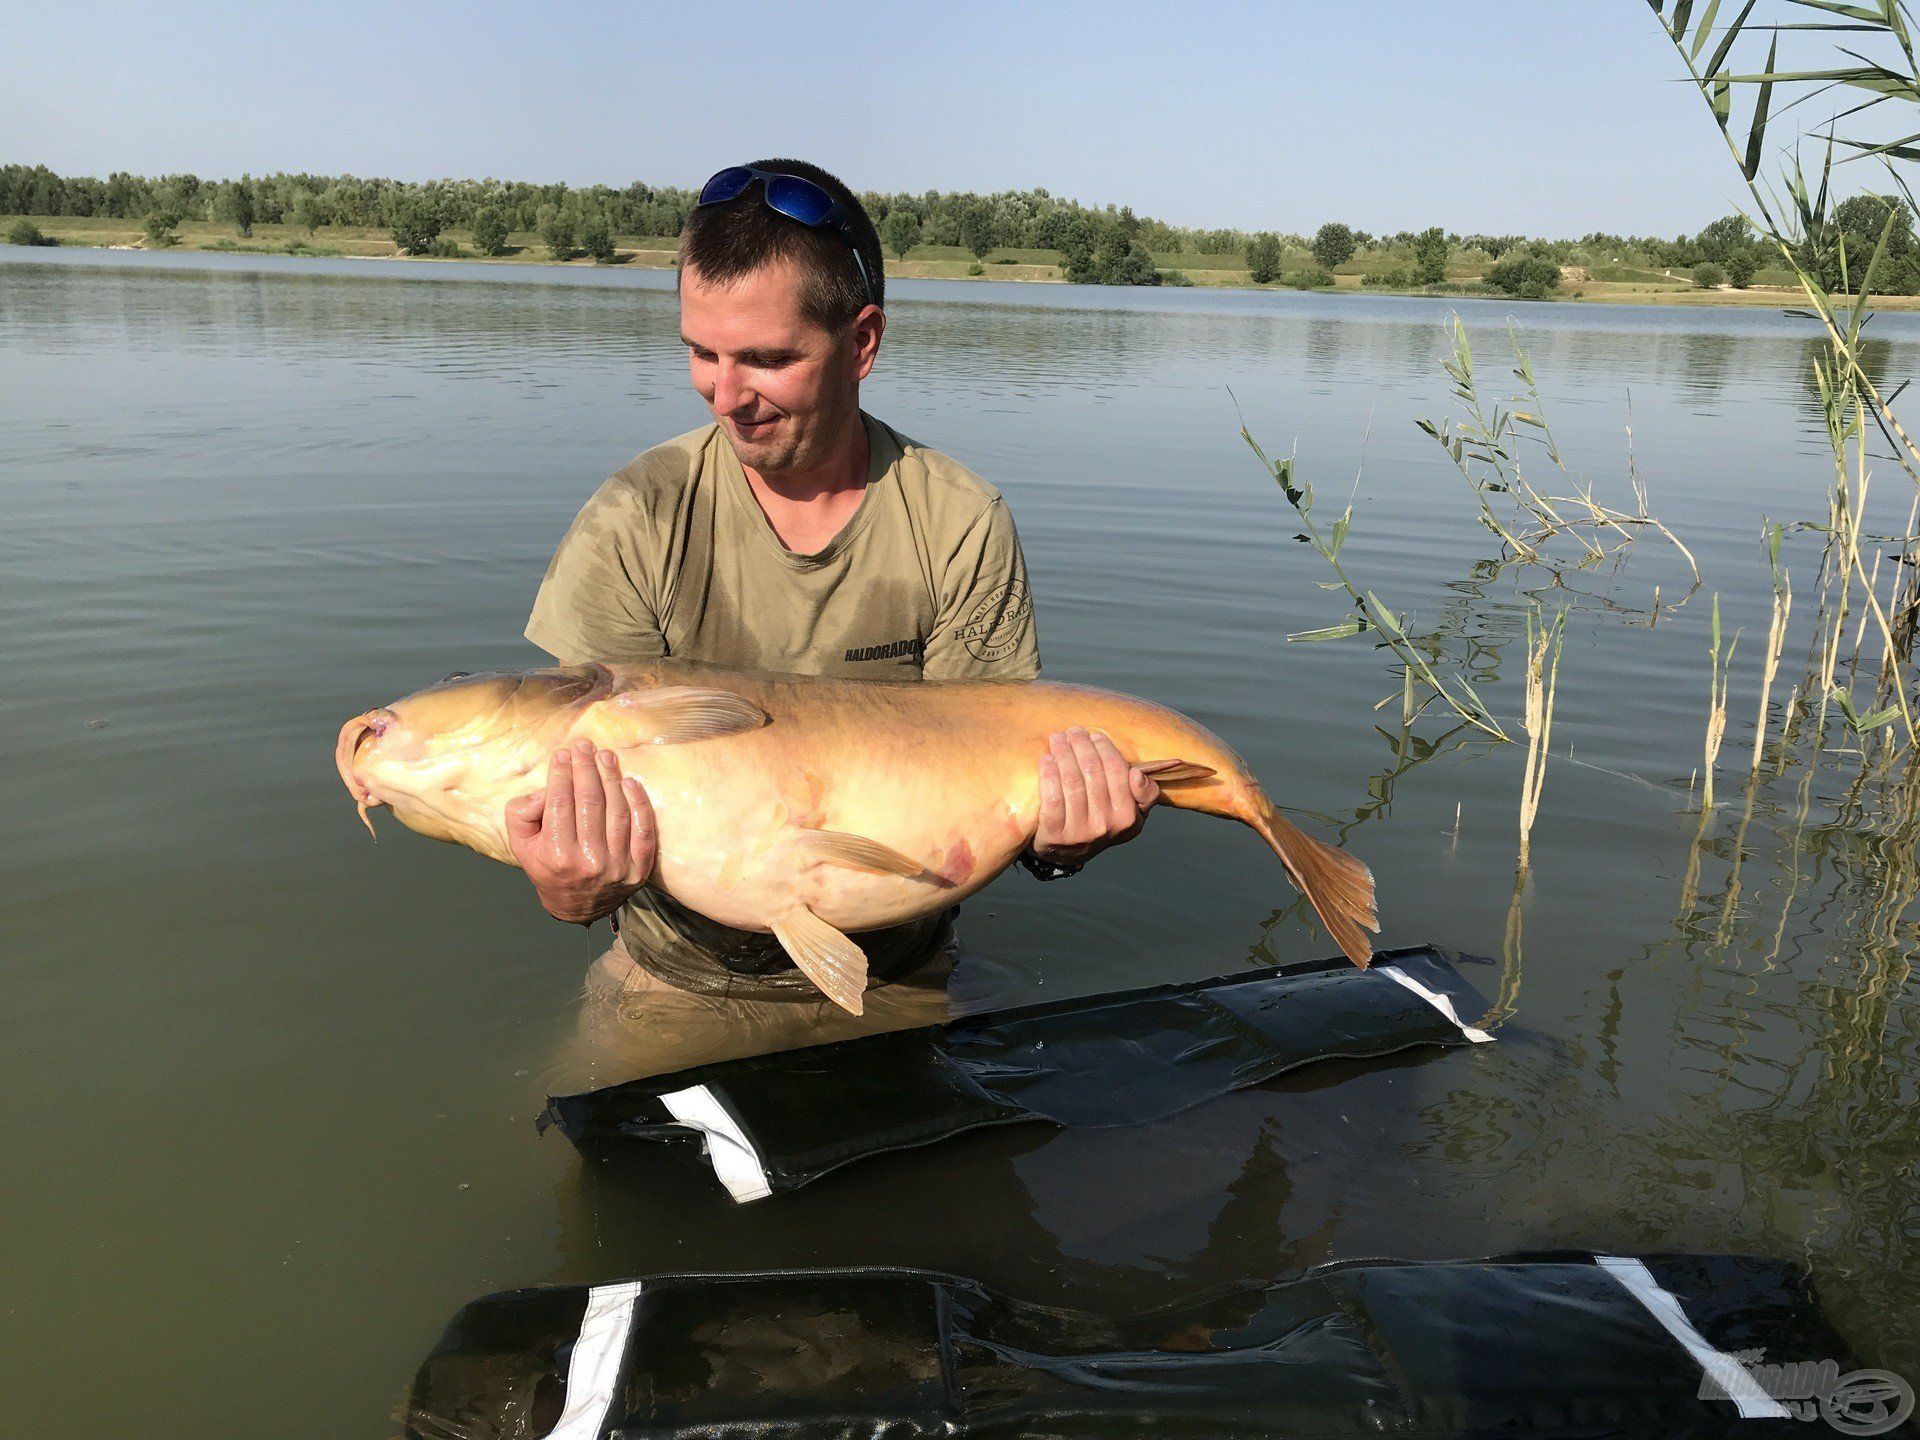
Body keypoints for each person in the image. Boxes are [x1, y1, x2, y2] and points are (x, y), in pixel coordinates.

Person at [516, 159, 1160, 1075]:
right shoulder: (638, 516)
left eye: (768, 359)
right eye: (702, 351)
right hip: (676, 982)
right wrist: (565, 886)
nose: (725, 395)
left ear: (862, 342)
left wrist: (1063, 844)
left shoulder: (956, 521)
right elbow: (568, 816)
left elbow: (997, 784)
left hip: (905, 975)